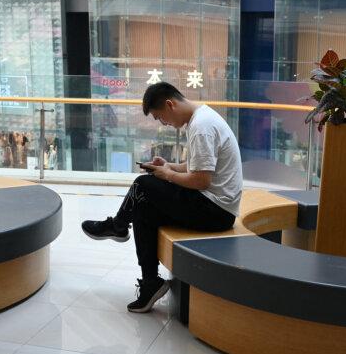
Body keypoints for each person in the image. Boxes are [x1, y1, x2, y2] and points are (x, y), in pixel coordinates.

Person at [82, 82, 243, 313]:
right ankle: (150, 282)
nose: (163, 124)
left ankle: (118, 226)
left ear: (170, 104)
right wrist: (170, 167)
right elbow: (199, 166)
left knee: (142, 184)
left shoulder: (201, 126)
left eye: (160, 118)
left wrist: (166, 175)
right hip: (212, 204)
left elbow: (201, 180)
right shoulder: (201, 118)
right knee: (142, 206)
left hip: (217, 211)